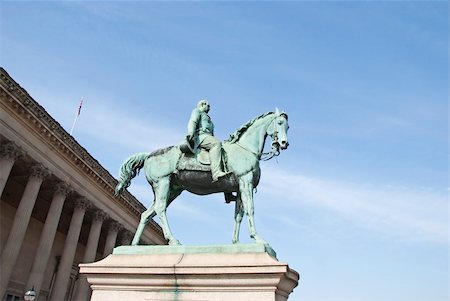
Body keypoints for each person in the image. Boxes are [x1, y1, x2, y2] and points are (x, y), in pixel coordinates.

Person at [187, 100, 229, 182]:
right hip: (201, 137)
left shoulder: (209, 120)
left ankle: (228, 193)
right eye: (208, 106)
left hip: (208, 137)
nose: (209, 108)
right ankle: (216, 173)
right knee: (216, 144)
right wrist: (190, 132)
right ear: (203, 104)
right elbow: (193, 121)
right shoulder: (197, 111)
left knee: (223, 151)